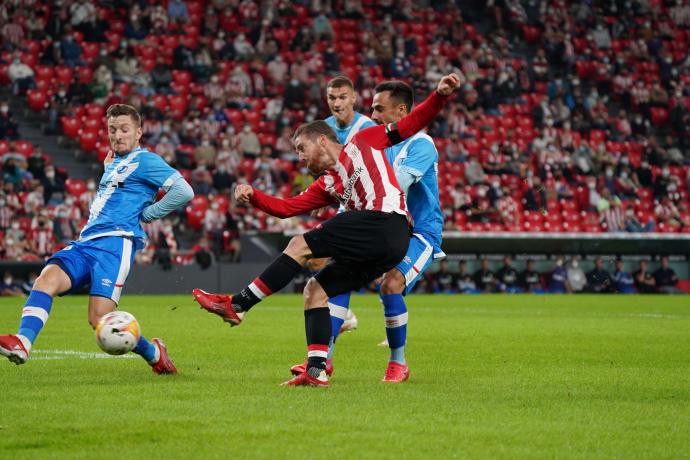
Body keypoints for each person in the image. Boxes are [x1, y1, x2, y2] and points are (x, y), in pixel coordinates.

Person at [192, 73, 461, 387]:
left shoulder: (366, 140)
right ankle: (317, 370)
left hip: (389, 224)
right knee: (315, 290)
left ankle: (238, 305)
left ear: (322, 140)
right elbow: (287, 208)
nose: (300, 157)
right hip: (376, 244)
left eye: (302, 148)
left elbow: (413, 122)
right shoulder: (327, 184)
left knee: (299, 244)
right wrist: (254, 197)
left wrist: (440, 95)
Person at [0, 104, 194, 374]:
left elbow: (184, 191)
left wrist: (150, 214)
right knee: (47, 278)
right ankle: (23, 342)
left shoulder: (147, 160)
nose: (117, 135)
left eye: (125, 129)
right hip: (86, 242)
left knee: (100, 320)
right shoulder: (113, 163)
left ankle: (154, 354)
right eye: (112, 130)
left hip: (115, 245)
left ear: (139, 132)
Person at [306, 75, 377, 341]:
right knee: (318, 259)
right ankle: (341, 320)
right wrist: (321, 194)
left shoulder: (367, 126)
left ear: (354, 98)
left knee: (380, 276)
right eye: (332, 98)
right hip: (345, 203)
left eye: (342, 97)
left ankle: (338, 327)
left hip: (369, 206)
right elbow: (323, 165)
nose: (337, 103)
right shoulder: (323, 128)